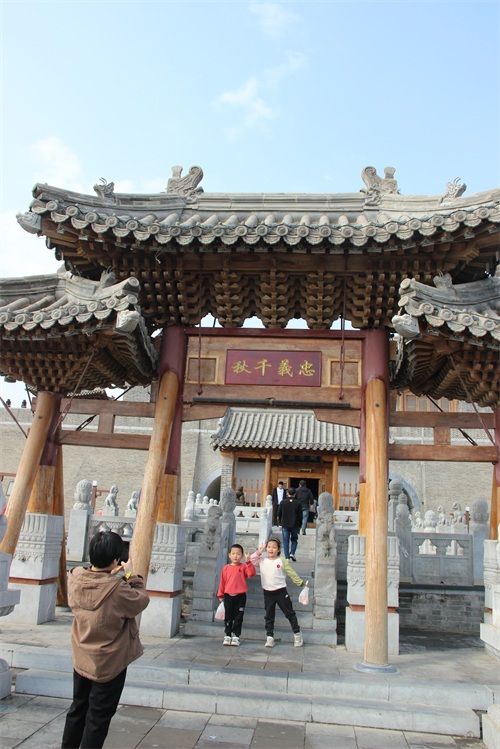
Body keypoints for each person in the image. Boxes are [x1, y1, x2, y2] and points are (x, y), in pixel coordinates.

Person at [61, 531, 150, 749]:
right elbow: (140, 600)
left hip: (82, 655)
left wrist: (108, 570)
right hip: (109, 662)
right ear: (115, 560)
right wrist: (131, 575)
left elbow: (93, 578)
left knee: (78, 707)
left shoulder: (75, 577)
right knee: (98, 717)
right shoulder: (118, 589)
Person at [251, 537, 305, 648]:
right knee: (269, 616)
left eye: (274, 547)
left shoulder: (281, 560)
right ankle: (270, 637)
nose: (271, 549)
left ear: (279, 549)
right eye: (269, 547)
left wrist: (301, 583)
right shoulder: (262, 560)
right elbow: (252, 560)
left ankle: (297, 634)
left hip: (281, 592)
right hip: (268, 593)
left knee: (289, 613)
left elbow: (291, 572)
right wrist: (259, 552)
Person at [217, 543, 256, 646]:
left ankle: (236, 635)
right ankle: (227, 634)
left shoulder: (243, 567)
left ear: (242, 556)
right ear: (229, 555)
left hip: (240, 596)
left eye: (238, 554)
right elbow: (222, 582)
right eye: (233, 554)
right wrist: (220, 594)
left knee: (238, 617)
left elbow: (251, 574)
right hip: (228, 596)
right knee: (228, 616)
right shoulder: (226, 568)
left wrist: (249, 562)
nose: (235, 556)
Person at [278, 487, 301, 561]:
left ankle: (287, 557)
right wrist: (300, 525)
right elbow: (300, 515)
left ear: (287, 494)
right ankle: (292, 553)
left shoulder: (283, 502)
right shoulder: (298, 503)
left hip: (285, 523)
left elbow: (279, 513)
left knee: (286, 540)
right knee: (294, 539)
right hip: (294, 524)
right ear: (295, 494)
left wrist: (280, 522)